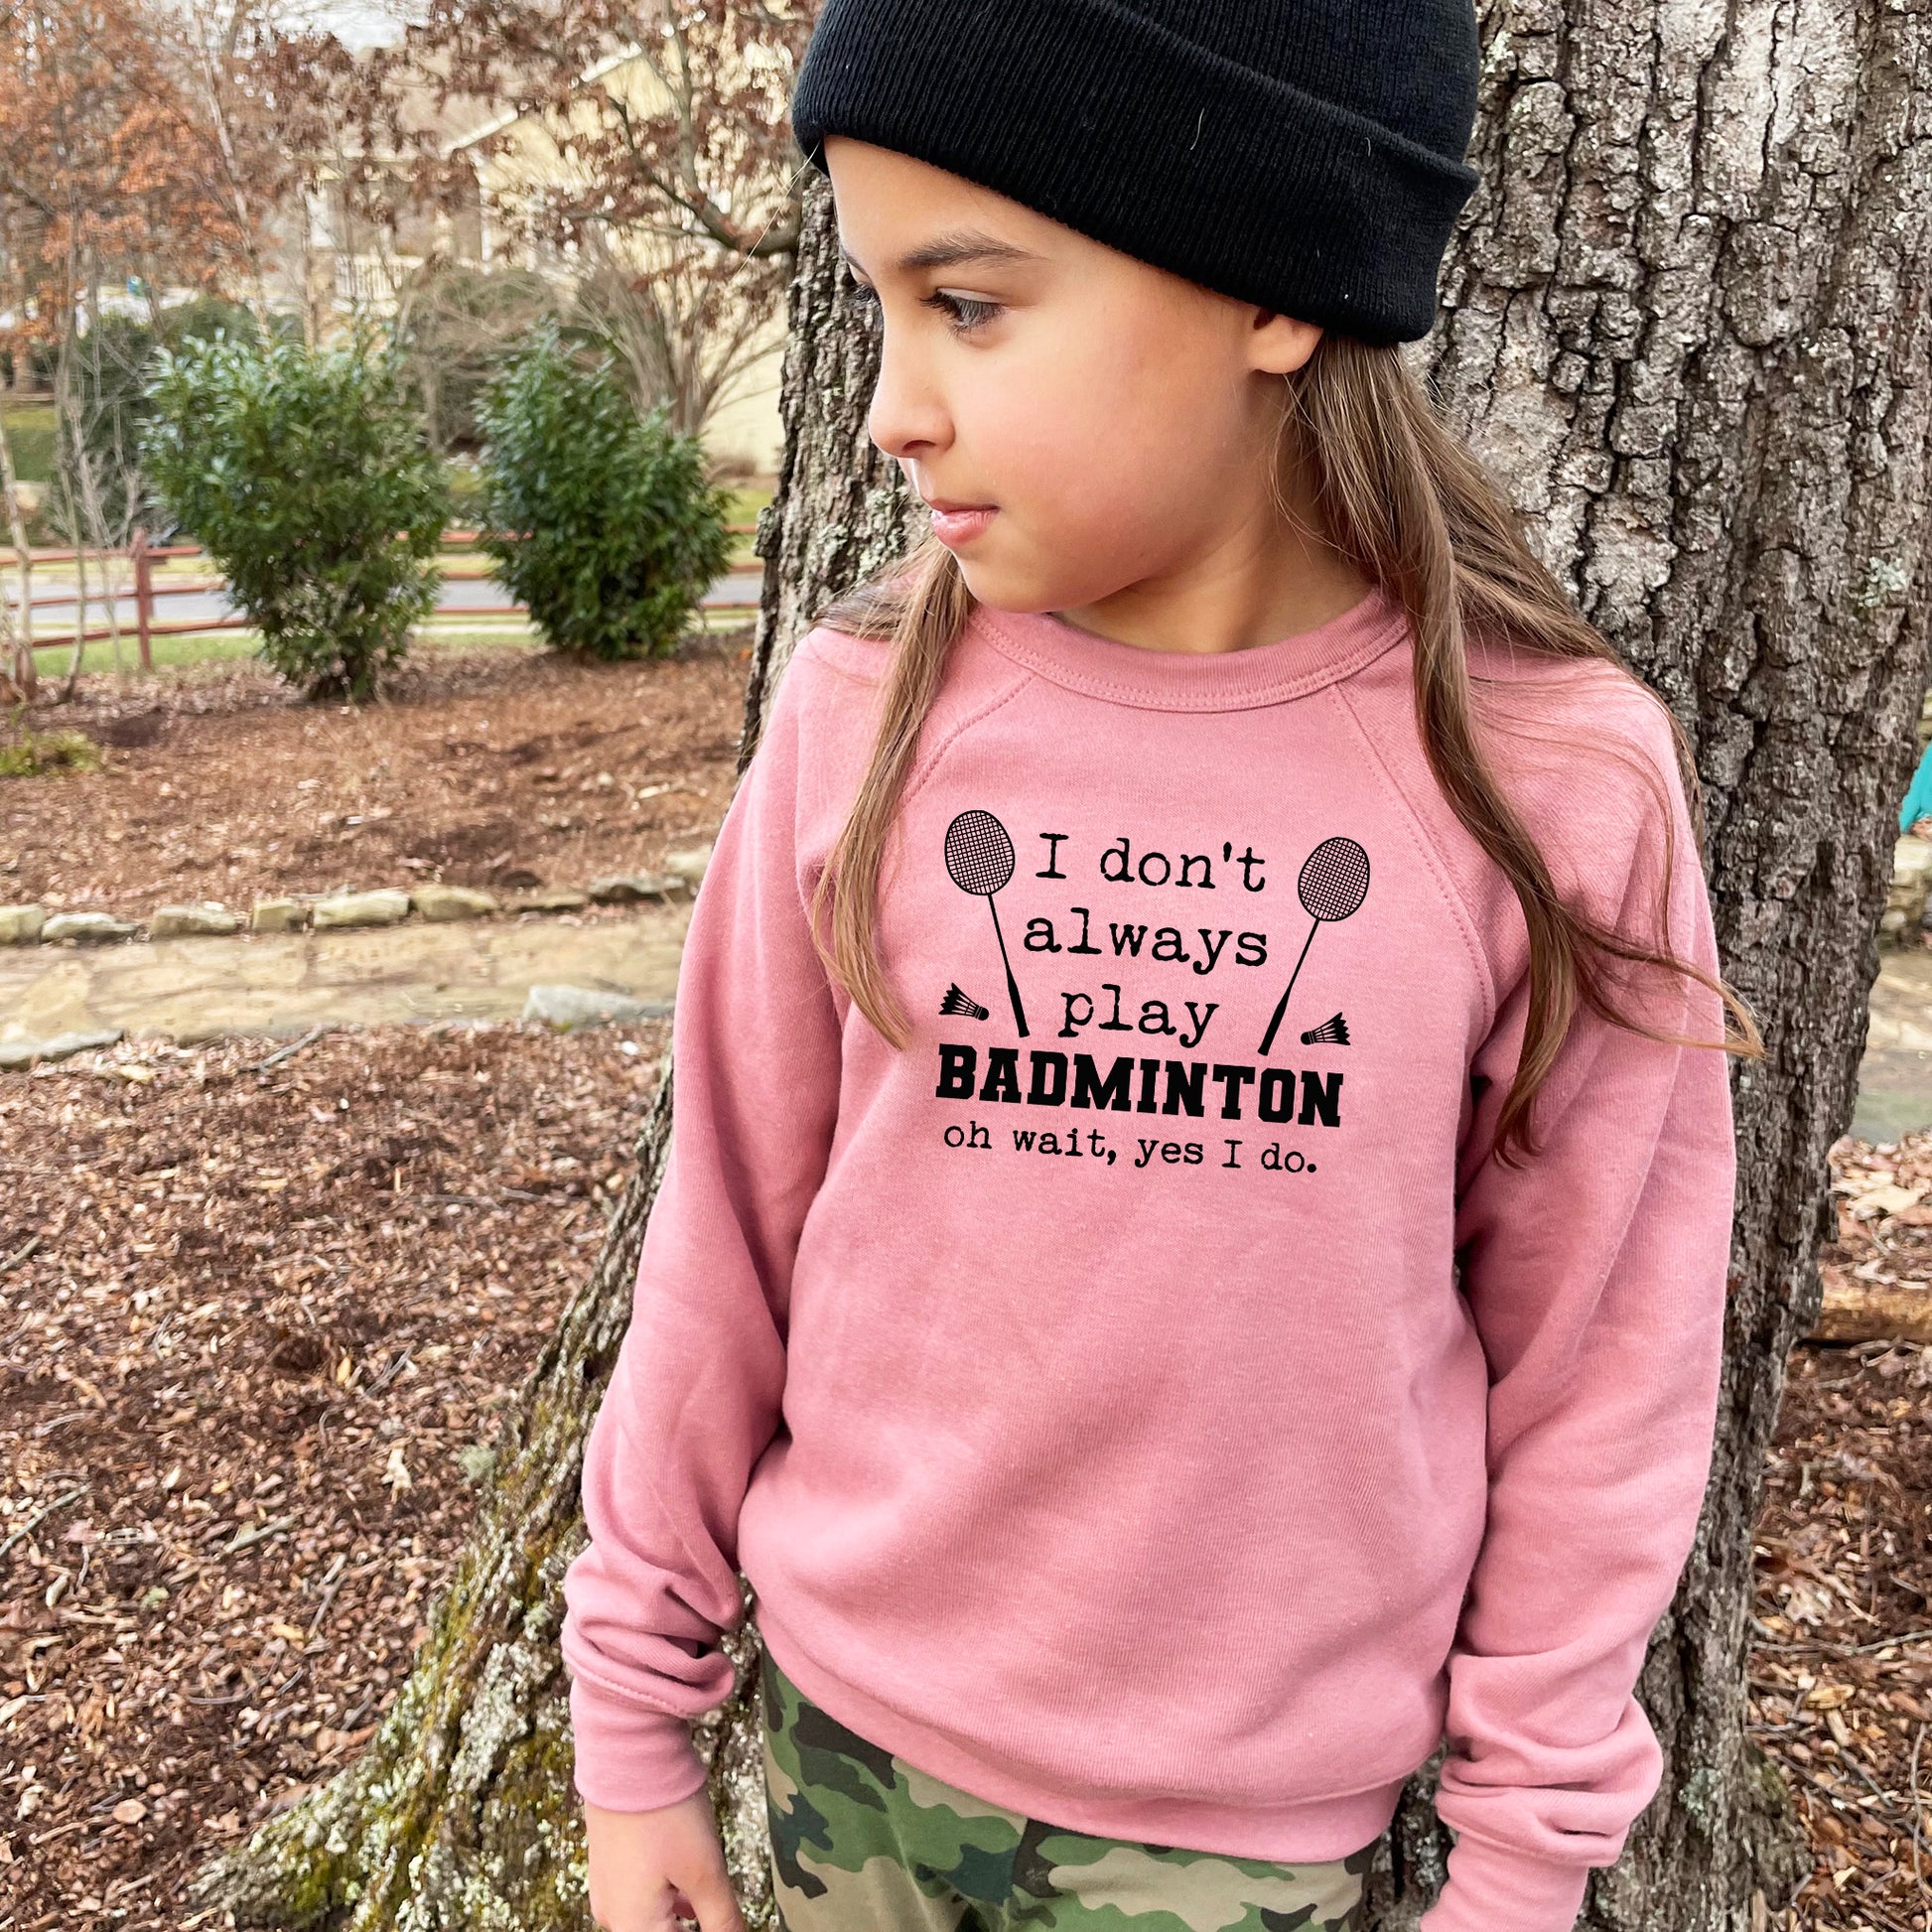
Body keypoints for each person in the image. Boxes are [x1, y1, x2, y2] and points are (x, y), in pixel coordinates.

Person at [560, 4, 1762, 1929]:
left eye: (968, 302)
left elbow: (1603, 1377)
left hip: (1236, 1846)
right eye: (878, 304)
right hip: (833, 1760)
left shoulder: (1545, 783)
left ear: (1271, 289)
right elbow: (722, 1245)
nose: (889, 405)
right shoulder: (857, 718)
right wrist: (632, 1724)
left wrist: (1525, 1861)